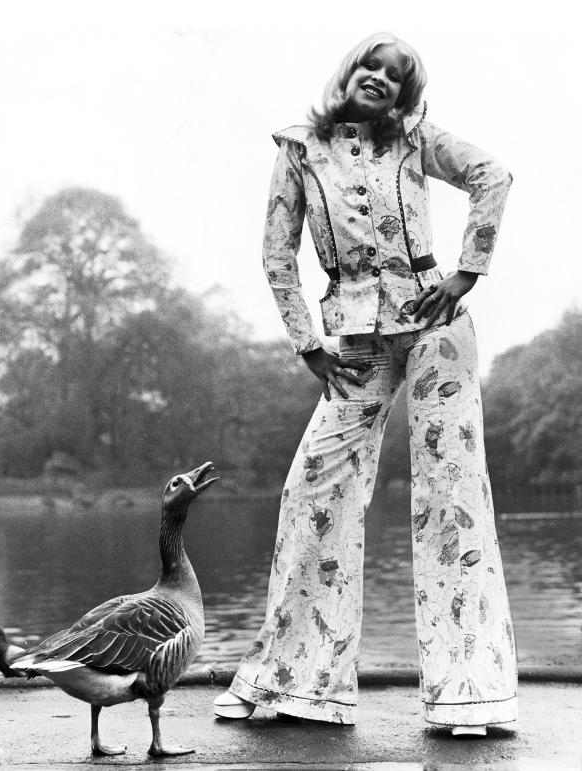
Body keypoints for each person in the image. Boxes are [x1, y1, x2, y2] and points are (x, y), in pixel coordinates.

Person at [214, 31, 517, 735]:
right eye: (370, 66)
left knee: (453, 496)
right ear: (347, 73)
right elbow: (276, 255)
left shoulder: (415, 138)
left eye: (397, 75)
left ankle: (471, 694)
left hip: (436, 324)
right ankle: (293, 682)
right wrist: (307, 345)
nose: (380, 78)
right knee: (312, 488)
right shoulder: (297, 148)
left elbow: (493, 174)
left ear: (407, 95)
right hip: (352, 341)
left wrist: (467, 272)